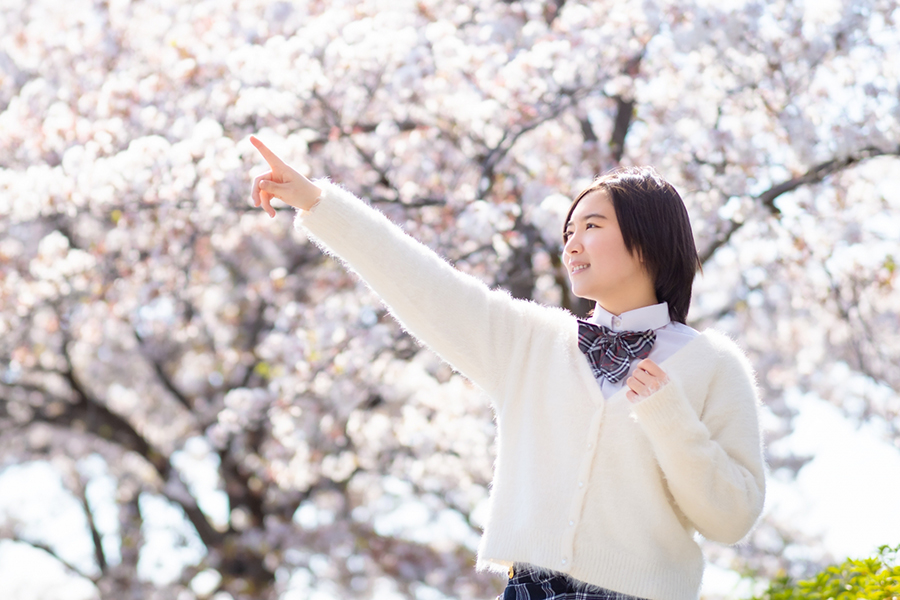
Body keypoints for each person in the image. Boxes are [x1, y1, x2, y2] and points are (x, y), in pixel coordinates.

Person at [248, 135, 766, 600]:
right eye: (569, 231)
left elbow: (731, 517)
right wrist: (317, 201)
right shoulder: (533, 341)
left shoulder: (713, 364)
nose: (572, 243)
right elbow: (426, 284)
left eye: (592, 225)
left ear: (649, 237)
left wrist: (669, 418)